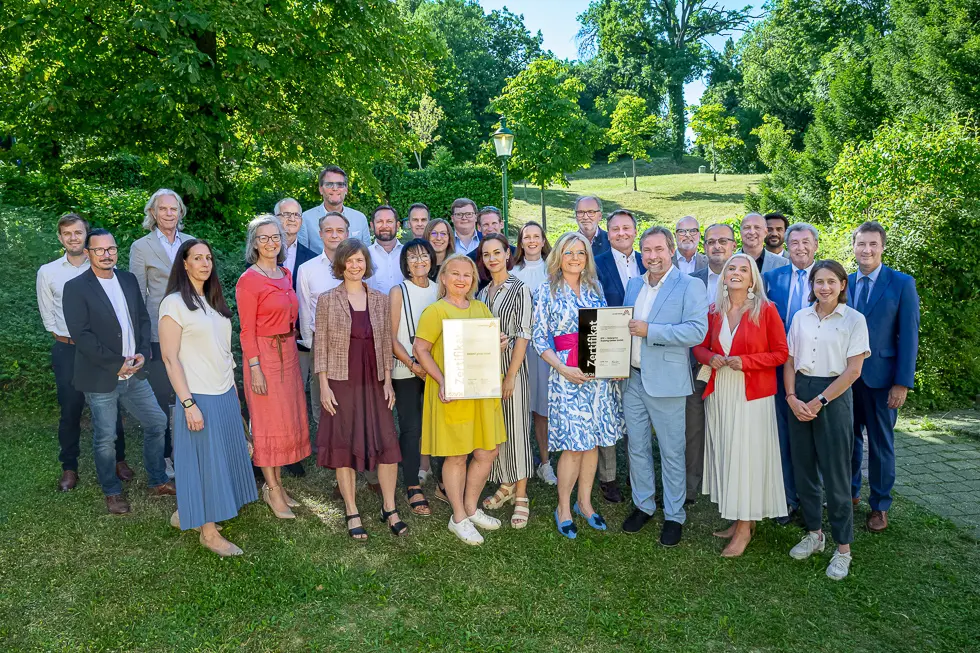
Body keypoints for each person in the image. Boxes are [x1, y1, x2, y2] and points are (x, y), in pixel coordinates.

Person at [63, 229, 174, 514]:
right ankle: (112, 492)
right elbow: (82, 335)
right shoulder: (75, 288)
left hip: (135, 372)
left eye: (111, 249)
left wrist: (143, 351)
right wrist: (116, 364)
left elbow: (142, 319)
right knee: (105, 438)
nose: (106, 254)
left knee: (157, 422)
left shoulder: (127, 279)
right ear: (87, 253)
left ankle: (158, 480)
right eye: (99, 250)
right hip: (101, 376)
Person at [159, 239, 258, 556]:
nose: (205, 263)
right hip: (197, 394)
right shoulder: (174, 303)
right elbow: (170, 359)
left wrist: (234, 396)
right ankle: (208, 533)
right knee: (203, 463)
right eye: (197, 258)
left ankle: (187, 512)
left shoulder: (213, 301)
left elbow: (224, 352)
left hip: (223, 391)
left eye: (208, 258)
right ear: (184, 263)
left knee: (222, 458)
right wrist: (188, 404)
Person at [693, 253, 788, 557]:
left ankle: (745, 528)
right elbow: (698, 347)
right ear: (724, 276)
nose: (736, 272)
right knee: (727, 452)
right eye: (731, 268)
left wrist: (746, 362)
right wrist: (711, 357)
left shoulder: (766, 310)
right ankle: (738, 518)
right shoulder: (714, 310)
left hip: (752, 394)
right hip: (721, 390)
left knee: (746, 457)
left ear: (752, 279)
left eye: (743, 269)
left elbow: (781, 353)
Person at [532, 233, 625, 539]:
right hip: (566, 375)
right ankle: (563, 508)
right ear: (559, 256)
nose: (575, 258)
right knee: (574, 446)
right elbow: (539, 339)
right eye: (569, 252)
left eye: (581, 253)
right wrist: (562, 368)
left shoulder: (594, 287)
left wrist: (614, 364)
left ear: (587, 258)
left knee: (593, 441)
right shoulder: (546, 290)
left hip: (597, 378)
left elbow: (606, 330)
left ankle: (585, 503)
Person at [622, 227, 709, 546]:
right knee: (637, 446)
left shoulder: (690, 285)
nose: (652, 256)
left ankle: (674, 515)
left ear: (671, 250)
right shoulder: (634, 284)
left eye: (659, 249)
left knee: (672, 451)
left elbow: (696, 331)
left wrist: (651, 331)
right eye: (647, 250)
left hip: (668, 381)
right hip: (632, 378)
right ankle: (643, 505)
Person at [314, 239, 406, 540]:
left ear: (366, 264)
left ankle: (389, 507)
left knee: (387, 442)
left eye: (360, 260)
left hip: (375, 379)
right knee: (344, 442)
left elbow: (385, 343)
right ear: (341, 265)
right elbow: (320, 346)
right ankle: (351, 509)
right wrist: (324, 386)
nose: (355, 266)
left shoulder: (379, 299)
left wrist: (388, 381)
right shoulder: (328, 299)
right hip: (341, 380)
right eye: (350, 260)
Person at [413, 254, 507, 545]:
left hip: (480, 392)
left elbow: (486, 346)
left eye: (467, 275)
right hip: (452, 393)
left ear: (473, 280)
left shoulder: (480, 308)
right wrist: (443, 381)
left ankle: (471, 507)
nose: (461, 279)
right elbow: (420, 350)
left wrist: (499, 343)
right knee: (456, 455)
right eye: (454, 273)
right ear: (443, 277)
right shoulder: (435, 311)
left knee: (487, 451)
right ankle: (458, 517)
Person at [785, 260, 870, 580]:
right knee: (804, 469)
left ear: (842, 285)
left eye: (831, 281)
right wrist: (791, 397)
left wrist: (820, 401)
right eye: (819, 281)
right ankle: (814, 534)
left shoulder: (854, 320)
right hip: (800, 393)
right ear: (812, 285)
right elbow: (789, 360)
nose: (824, 287)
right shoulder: (800, 317)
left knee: (836, 475)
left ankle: (843, 548)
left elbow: (853, 371)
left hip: (834, 397)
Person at [38, 214, 129, 492]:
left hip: (102, 349)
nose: (73, 238)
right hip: (68, 349)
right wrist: (67, 337)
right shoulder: (48, 272)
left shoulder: (103, 265)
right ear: (60, 238)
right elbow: (48, 315)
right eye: (67, 233)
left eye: (78, 232)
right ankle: (69, 466)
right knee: (70, 408)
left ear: (86, 236)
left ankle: (119, 460)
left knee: (112, 405)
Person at [236, 215, 311, 520]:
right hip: (264, 356)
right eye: (263, 238)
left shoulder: (284, 273)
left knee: (285, 420)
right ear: (254, 243)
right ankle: (272, 488)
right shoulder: (248, 280)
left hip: (288, 351)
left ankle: (278, 484)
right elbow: (246, 331)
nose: (271, 242)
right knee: (267, 423)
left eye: (275, 237)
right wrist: (254, 367)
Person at [848, 221, 920, 533]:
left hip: (882, 379)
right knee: (847, 441)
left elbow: (909, 336)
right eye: (861, 244)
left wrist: (902, 383)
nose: (866, 250)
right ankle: (849, 493)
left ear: (882, 247)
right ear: (854, 247)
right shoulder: (843, 282)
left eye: (873, 244)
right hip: (846, 379)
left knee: (880, 445)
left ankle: (879, 505)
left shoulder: (901, 283)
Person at [129, 188, 196, 479]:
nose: (169, 213)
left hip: (191, 329)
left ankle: (190, 449)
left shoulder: (191, 243)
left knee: (190, 389)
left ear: (180, 212)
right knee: (161, 395)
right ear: (153, 213)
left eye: (173, 208)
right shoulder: (141, 247)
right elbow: (136, 295)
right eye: (163, 209)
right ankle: (166, 455)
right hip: (159, 333)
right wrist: (142, 338)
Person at [763, 222, 820, 523]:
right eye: (794, 242)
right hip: (777, 367)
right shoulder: (772, 278)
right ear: (787, 246)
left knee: (813, 437)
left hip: (816, 369)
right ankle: (786, 498)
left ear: (816, 246)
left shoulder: (827, 278)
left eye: (805, 242)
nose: (800, 247)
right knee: (782, 435)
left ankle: (814, 499)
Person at [476, 234, 534, 528]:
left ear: (508, 253)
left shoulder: (520, 289)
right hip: (487, 369)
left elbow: (523, 335)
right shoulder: (482, 293)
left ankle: (521, 494)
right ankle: (506, 483)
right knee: (498, 428)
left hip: (512, 366)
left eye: (497, 252)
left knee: (518, 427)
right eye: (486, 254)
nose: (492, 259)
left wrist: (511, 376)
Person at [593, 209, 646, 504]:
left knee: (636, 415)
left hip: (643, 349)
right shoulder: (596, 263)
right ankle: (608, 476)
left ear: (635, 231)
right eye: (615, 229)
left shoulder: (647, 260)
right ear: (608, 232)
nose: (622, 233)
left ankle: (636, 473)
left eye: (627, 228)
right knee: (609, 413)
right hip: (610, 349)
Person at [686, 224, 736, 501]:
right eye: (711, 242)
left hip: (731, 366)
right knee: (693, 425)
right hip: (696, 364)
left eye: (723, 241)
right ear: (704, 247)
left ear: (733, 245)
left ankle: (727, 480)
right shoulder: (691, 280)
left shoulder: (745, 278)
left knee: (729, 424)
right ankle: (691, 484)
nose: (717, 246)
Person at [390, 239, 440, 514]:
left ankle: (441, 478)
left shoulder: (440, 289)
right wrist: (412, 364)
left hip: (435, 368)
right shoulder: (398, 291)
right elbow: (391, 337)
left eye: (424, 255)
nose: (419, 260)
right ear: (405, 263)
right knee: (411, 427)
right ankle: (412, 484)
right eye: (413, 256)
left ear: (432, 259)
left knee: (438, 423)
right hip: (406, 368)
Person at [512, 221, 557, 486]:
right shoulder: (512, 272)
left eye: (536, 236)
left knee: (542, 408)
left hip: (544, 347)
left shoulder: (553, 270)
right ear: (520, 242)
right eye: (526, 237)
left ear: (542, 240)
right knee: (519, 406)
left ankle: (545, 462)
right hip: (518, 345)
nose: (531, 241)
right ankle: (520, 459)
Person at [275, 198, 317, 477]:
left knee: (305, 393)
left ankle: (303, 447)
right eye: (285, 214)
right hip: (275, 337)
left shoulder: (311, 256)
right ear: (275, 218)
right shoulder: (264, 253)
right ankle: (282, 449)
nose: (291, 219)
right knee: (283, 395)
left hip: (305, 336)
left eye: (296, 215)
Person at [296, 212, 348, 432]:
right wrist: (311, 344)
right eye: (329, 230)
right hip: (321, 340)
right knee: (320, 392)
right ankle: (324, 437)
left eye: (339, 230)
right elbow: (304, 309)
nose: (334, 235)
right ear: (320, 234)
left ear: (347, 234)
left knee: (350, 392)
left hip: (353, 338)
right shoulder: (307, 269)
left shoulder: (357, 265)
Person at [298, 165, 370, 251]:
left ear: (346, 189)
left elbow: (366, 253)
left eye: (340, 184)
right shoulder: (306, 219)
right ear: (320, 189)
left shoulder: (360, 219)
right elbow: (302, 254)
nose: (335, 188)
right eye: (329, 184)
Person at [366, 205, 405, 295]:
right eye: (379, 221)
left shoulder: (407, 253)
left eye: (389, 221)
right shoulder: (365, 255)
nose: (384, 226)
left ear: (397, 225)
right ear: (372, 225)